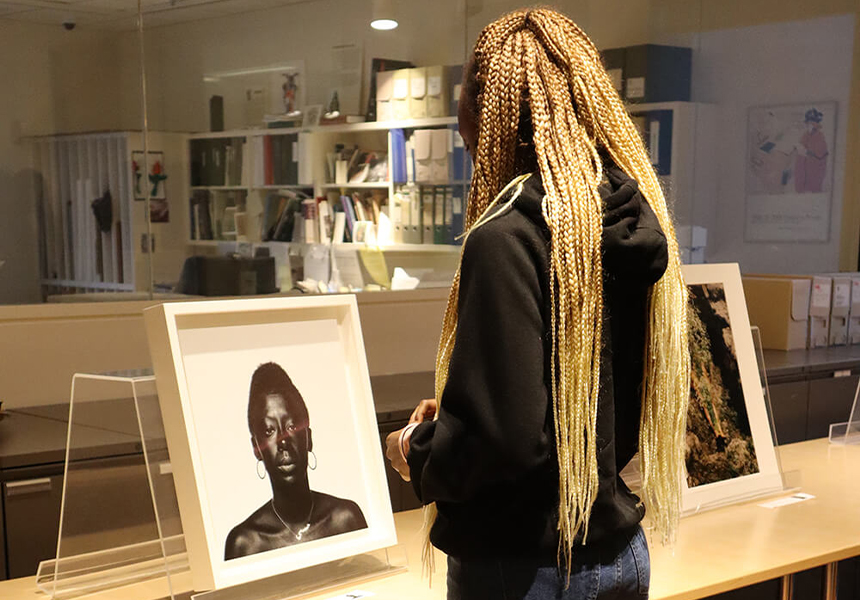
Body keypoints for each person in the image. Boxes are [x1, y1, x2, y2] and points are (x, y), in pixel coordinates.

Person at [384, 8, 690, 600]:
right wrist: (467, 408)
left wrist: (416, 450)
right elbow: (574, 405)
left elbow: (508, 441)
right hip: (620, 552)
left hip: (525, 569)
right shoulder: (627, 220)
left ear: (484, 110)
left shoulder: (504, 237)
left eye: (463, 100)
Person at [225, 362, 367, 560]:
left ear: (308, 438)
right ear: (257, 448)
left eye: (291, 427)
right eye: (269, 430)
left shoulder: (346, 519)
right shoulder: (244, 544)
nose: (282, 440)